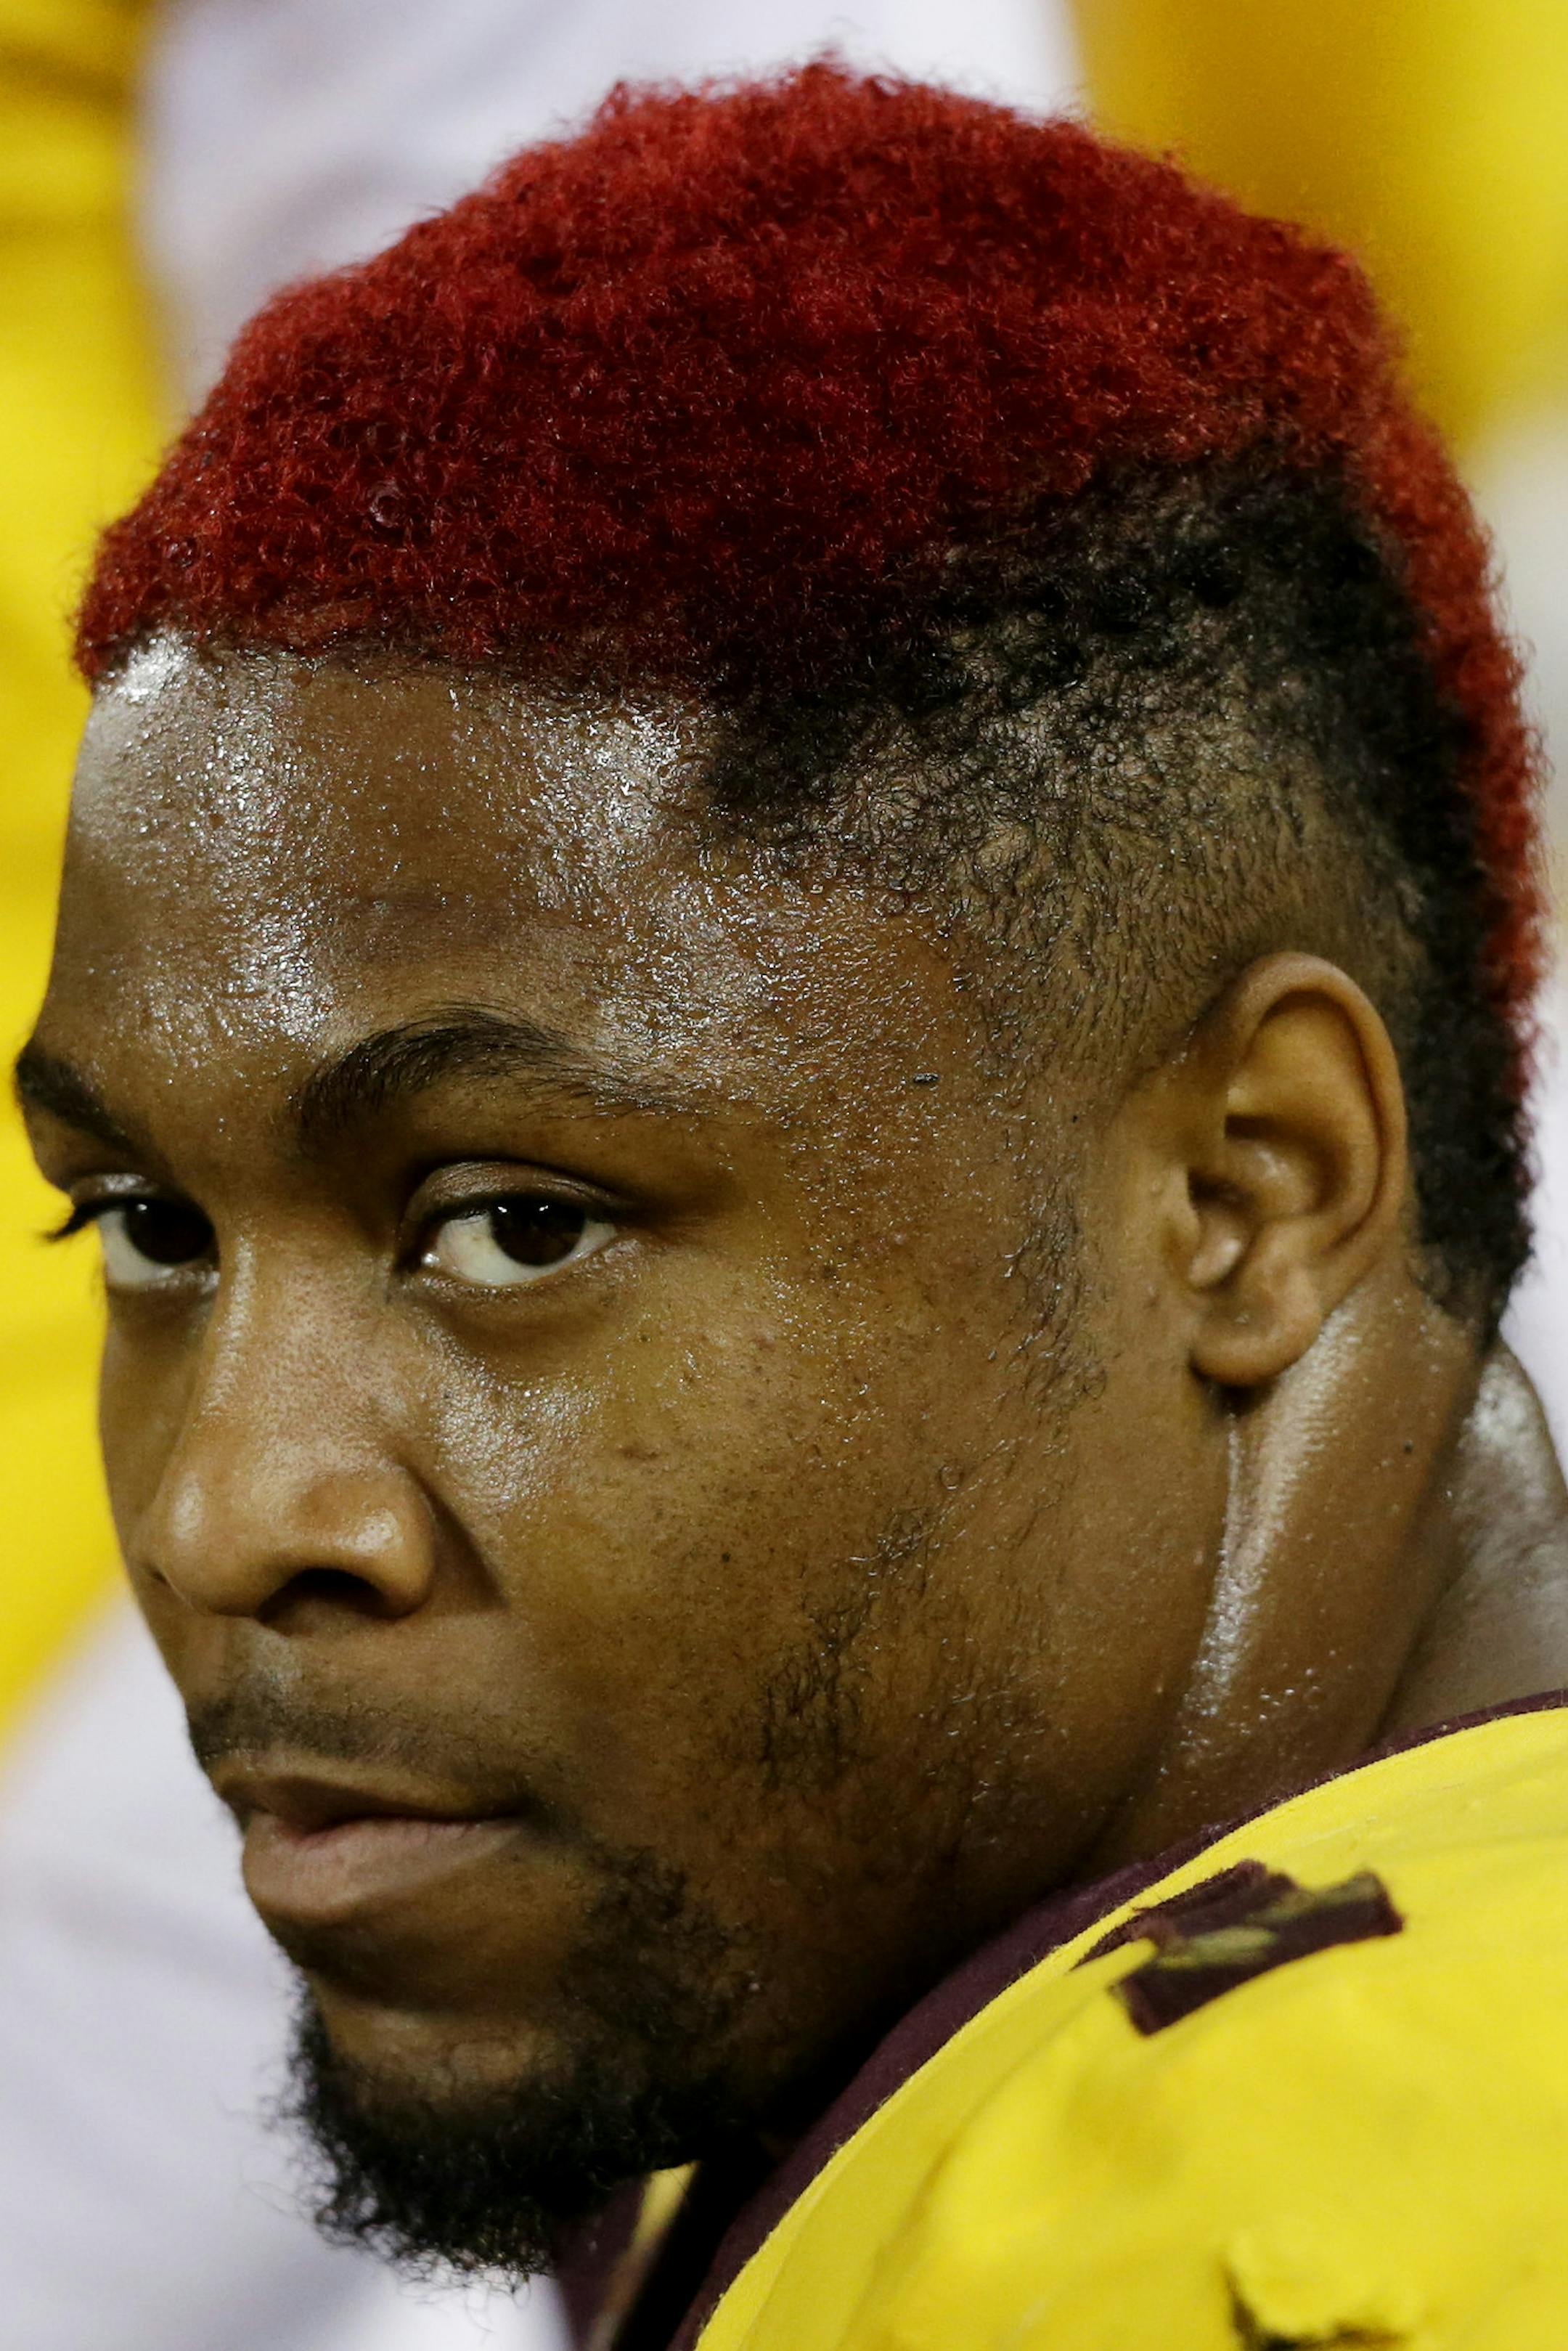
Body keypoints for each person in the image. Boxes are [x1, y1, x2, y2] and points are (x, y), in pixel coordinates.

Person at [18, 63, 1568, 2348]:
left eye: (516, 1227)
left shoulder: (1237, 2244)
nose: (228, 1514)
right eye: (148, 1224)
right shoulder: (984, 2019)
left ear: (1250, 1196)